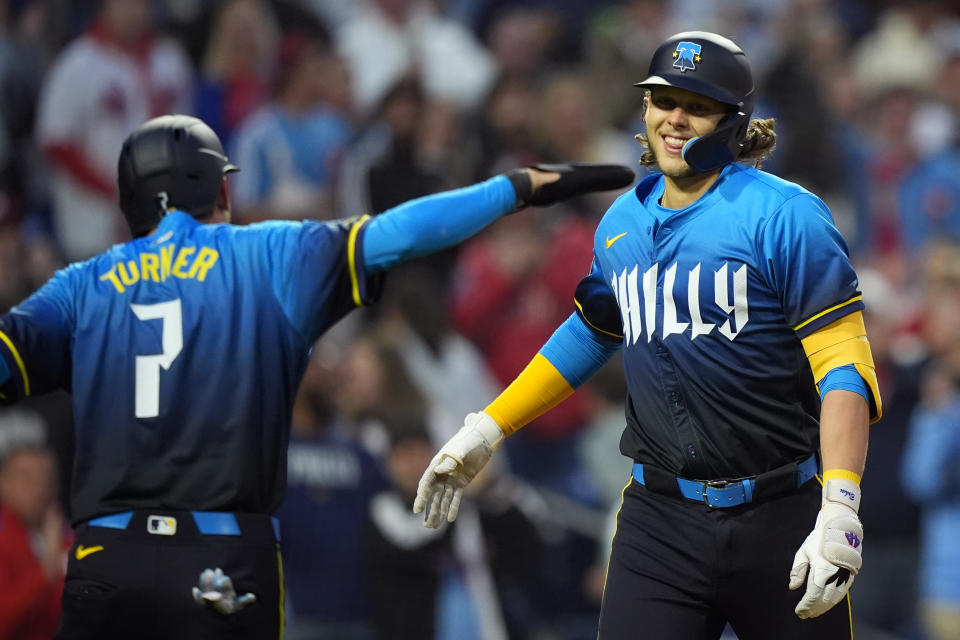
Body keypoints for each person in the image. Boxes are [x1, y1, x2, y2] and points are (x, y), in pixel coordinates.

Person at [0, 113, 634, 640]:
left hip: (106, 561)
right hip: (220, 558)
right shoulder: (267, 254)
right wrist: (517, 187)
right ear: (217, 191)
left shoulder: (76, 288)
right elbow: (399, 234)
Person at [415, 31, 882, 640]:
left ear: (734, 122)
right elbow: (591, 332)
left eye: (696, 104)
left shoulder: (786, 215)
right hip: (659, 520)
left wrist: (841, 504)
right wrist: (489, 426)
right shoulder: (620, 223)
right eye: (663, 99)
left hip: (781, 513)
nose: (674, 117)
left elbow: (844, 364)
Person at [0, 410, 70, 640]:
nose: (38, 488)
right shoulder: (4, 542)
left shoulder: (70, 539)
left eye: (45, 478)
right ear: (4, 484)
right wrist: (46, 572)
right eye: (26, 479)